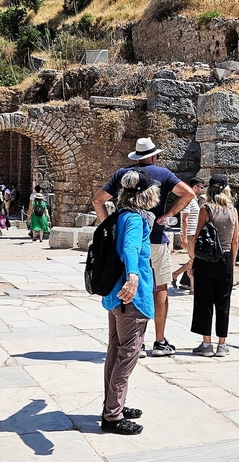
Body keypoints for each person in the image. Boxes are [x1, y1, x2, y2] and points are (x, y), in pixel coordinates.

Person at [92, 137, 195, 357]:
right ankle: (159, 341)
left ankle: (133, 339)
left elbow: (97, 200)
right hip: (155, 239)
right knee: (160, 288)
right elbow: (189, 193)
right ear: (154, 155)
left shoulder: (122, 174)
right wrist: (168, 214)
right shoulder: (164, 174)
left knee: (128, 285)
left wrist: (109, 228)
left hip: (127, 238)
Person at [99, 168, 160, 436]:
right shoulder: (135, 220)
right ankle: (112, 416)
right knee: (128, 355)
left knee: (116, 351)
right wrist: (133, 277)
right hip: (129, 298)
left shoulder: (120, 215)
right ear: (147, 194)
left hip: (115, 296)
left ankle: (113, 404)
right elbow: (130, 249)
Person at [189, 174, 239, 357]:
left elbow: (197, 237)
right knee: (223, 302)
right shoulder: (233, 210)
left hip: (206, 260)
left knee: (204, 301)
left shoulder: (206, 209)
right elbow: (235, 241)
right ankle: (222, 345)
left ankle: (206, 344)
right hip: (225, 259)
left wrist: (191, 260)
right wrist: (231, 265)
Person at [172, 178, 205, 291]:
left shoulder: (194, 200)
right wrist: (184, 237)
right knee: (193, 260)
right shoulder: (188, 200)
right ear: (195, 187)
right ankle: (192, 287)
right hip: (190, 234)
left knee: (194, 260)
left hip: (193, 234)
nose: (202, 190)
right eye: (201, 187)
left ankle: (176, 275)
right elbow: (185, 219)